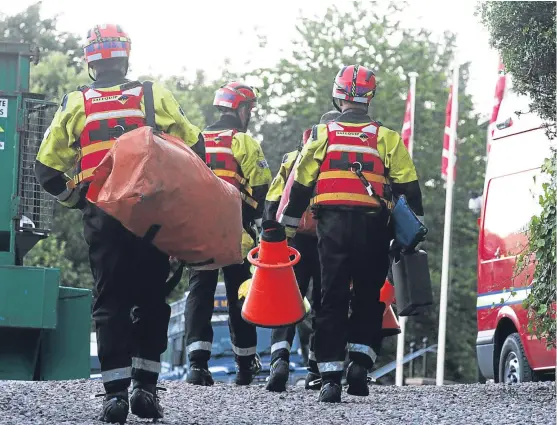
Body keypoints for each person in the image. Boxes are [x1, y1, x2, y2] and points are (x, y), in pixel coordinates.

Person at [35, 24, 205, 423]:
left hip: (104, 214)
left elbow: (45, 169)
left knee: (109, 300)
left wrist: (79, 202)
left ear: (90, 62)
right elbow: (196, 146)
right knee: (150, 297)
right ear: (125, 56)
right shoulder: (152, 94)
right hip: (150, 213)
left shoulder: (75, 102)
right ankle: (145, 389)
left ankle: (114, 396)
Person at [278, 64, 424, 403]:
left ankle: (329, 376)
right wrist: (410, 230)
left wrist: (288, 228)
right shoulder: (386, 137)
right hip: (373, 226)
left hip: (331, 228)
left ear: (337, 95)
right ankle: (359, 363)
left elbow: (300, 184)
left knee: (331, 297)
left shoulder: (321, 134)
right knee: (369, 295)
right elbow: (410, 189)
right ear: (369, 98)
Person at [184, 81, 272, 387]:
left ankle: (197, 364)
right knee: (240, 296)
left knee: (200, 293)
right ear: (241, 109)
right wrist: (247, 214)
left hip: (198, 234)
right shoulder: (243, 142)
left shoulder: (194, 139)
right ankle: (245, 365)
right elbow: (263, 188)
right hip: (236, 234)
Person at [264, 110, 340, 392]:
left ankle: (279, 359)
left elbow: (273, 199)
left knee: (286, 300)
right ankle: (316, 369)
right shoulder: (339, 160)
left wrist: (272, 237)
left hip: (293, 240)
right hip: (329, 240)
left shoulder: (291, 158)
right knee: (325, 304)